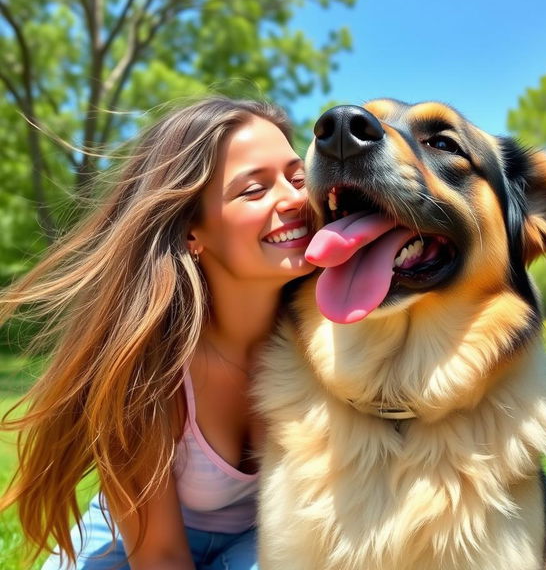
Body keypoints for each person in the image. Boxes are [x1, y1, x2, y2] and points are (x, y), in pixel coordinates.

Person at [0, 97, 315, 569]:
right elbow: (161, 556)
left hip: (259, 542)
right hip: (136, 546)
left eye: (297, 178)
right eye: (254, 190)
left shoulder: (335, 339)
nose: (293, 200)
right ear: (193, 232)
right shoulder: (145, 368)